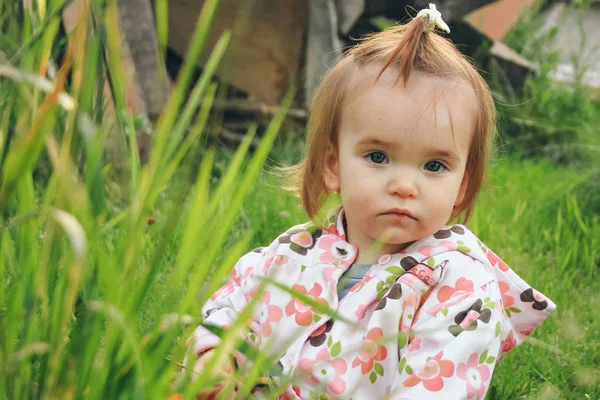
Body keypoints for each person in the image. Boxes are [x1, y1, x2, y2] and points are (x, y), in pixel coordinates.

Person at [186, 4, 556, 399]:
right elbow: (231, 306)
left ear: (462, 186)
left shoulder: (460, 287)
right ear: (333, 166)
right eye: (378, 157)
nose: (403, 185)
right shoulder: (293, 254)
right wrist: (215, 356)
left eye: (434, 165)